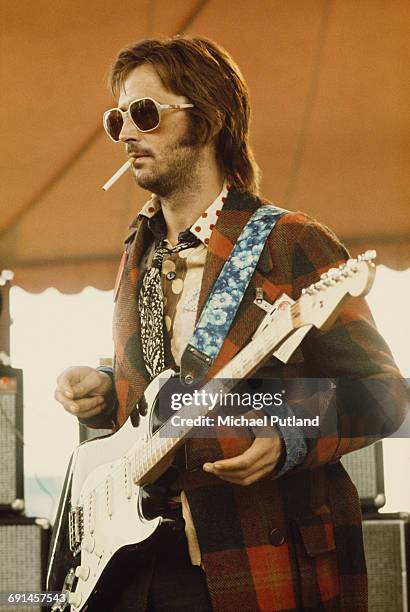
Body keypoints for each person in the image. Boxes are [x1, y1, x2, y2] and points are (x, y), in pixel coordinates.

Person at [54, 36, 407, 611]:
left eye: (145, 113)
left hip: (246, 560)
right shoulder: (138, 249)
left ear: (209, 120)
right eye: (116, 118)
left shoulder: (290, 241)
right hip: (130, 566)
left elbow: (385, 393)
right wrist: (104, 391)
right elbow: (160, 403)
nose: (125, 134)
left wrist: (290, 438)